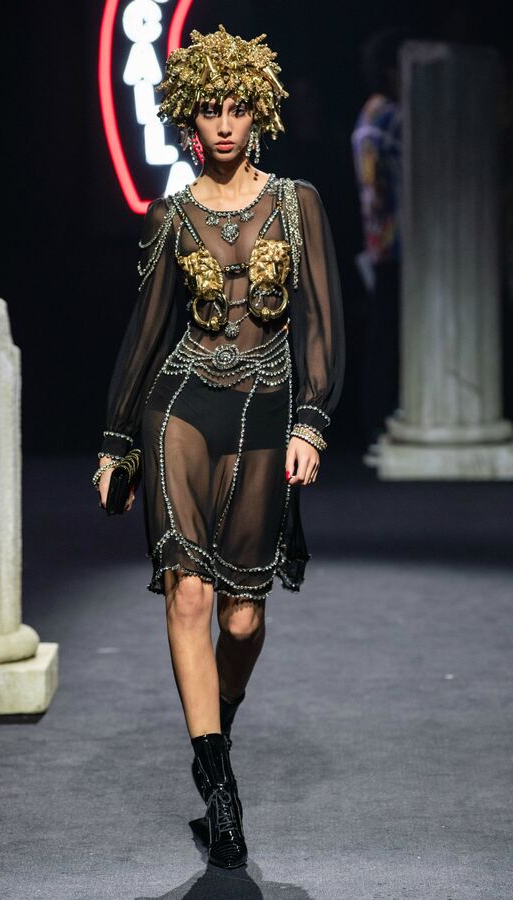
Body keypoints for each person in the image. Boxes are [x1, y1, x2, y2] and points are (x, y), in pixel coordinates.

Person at [94, 24, 345, 869]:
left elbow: (321, 319)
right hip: (181, 408)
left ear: (259, 111)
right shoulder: (171, 216)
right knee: (189, 596)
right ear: (189, 120)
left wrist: (312, 419)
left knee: (242, 617)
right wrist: (116, 441)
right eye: (211, 110)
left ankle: (218, 733)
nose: (226, 123)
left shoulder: (297, 202)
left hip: (268, 410)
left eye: (238, 107)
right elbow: (146, 331)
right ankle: (220, 791)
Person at [351, 27, 411, 460]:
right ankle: (380, 423)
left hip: (380, 241)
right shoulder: (391, 117)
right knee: (388, 337)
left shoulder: (368, 116)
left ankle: (377, 424)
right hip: (396, 242)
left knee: (384, 335)